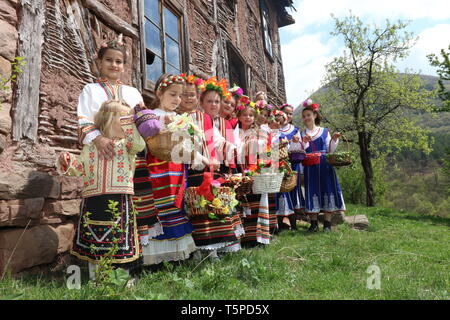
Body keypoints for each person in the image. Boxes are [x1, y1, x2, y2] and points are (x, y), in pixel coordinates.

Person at [76, 36, 163, 250]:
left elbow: (142, 123)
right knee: (99, 204)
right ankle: (96, 257)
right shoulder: (90, 90)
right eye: (109, 60)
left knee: (130, 205)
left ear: (124, 66)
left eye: (119, 61)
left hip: (128, 157)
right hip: (100, 155)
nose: (114, 65)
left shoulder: (132, 93)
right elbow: (83, 118)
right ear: (99, 62)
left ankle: (129, 258)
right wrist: (98, 138)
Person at [57, 99, 145, 282]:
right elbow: (80, 167)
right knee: (94, 237)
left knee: (118, 239)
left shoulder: (127, 146)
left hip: (119, 197)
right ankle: (97, 278)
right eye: (123, 117)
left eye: (129, 119)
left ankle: (121, 279)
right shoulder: (90, 147)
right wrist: (67, 161)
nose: (127, 122)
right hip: (93, 198)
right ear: (107, 120)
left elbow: (138, 144)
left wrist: (132, 122)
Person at [141, 74, 197, 265]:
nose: (177, 100)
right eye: (173, 94)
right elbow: (147, 137)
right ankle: (156, 254)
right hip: (158, 169)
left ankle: (177, 252)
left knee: (176, 205)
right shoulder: (152, 115)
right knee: (160, 207)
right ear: (159, 93)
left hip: (176, 169)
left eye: (180, 96)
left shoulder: (180, 118)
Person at [187, 77, 241, 259]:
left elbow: (218, 141)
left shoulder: (209, 121)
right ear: (201, 102)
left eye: (217, 101)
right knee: (200, 209)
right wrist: (204, 159)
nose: (214, 104)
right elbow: (189, 144)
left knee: (213, 207)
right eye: (209, 101)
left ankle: (214, 249)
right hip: (197, 169)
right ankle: (203, 249)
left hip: (211, 170)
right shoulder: (193, 118)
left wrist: (237, 149)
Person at [298, 99, 345, 232]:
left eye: (308, 115)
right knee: (311, 192)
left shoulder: (324, 131)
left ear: (315, 116)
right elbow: (300, 153)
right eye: (304, 116)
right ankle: (313, 224)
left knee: (327, 190)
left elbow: (330, 150)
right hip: (310, 168)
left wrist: (335, 139)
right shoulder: (302, 134)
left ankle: (327, 224)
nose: (306, 118)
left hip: (325, 166)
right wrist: (304, 143)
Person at [234, 104, 274, 246]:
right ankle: (244, 237)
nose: (248, 117)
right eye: (244, 115)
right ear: (239, 116)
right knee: (244, 203)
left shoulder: (258, 132)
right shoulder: (235, 132)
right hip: (239, 169)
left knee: (256, 202)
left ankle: (258, 237)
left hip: (255, 170)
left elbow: (265, 151)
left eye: (250, 115)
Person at [276, 105, 303, 231]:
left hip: (293, 163)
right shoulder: (275, 130)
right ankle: (281, 223)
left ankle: (294, 223)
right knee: (281, 191)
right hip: (279, 163)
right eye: (285, 113)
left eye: (291, 114)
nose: (288, 116)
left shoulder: (295, 130)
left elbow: (300, 148)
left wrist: (295, 142)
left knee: (293, 189)